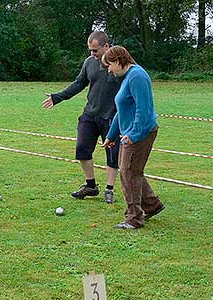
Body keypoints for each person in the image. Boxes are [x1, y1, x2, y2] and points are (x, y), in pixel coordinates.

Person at [42, 31, 121, 203]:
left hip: (112, 116)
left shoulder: (119, 62)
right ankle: (91, 185)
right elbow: (79, 84)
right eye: (90, 50)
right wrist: (58, 97)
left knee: (112, 153)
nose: (92, 54)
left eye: (95, 50)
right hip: (90, 114)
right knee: (82, 149)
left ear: (106, 46)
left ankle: (109, 189)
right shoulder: (89, 63)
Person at [101, 46, 165, 229]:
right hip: (130, 132)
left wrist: (134, 135)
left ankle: (134, 218)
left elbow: (142, 110)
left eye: (109, 65)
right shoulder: (128, 77)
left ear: (119, 60)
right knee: (132, 171)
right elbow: (122, 111)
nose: (109, 69)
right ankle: (152, 205)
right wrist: (111, 135)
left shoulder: (137, 76)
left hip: (140, 133)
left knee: (128, 172)